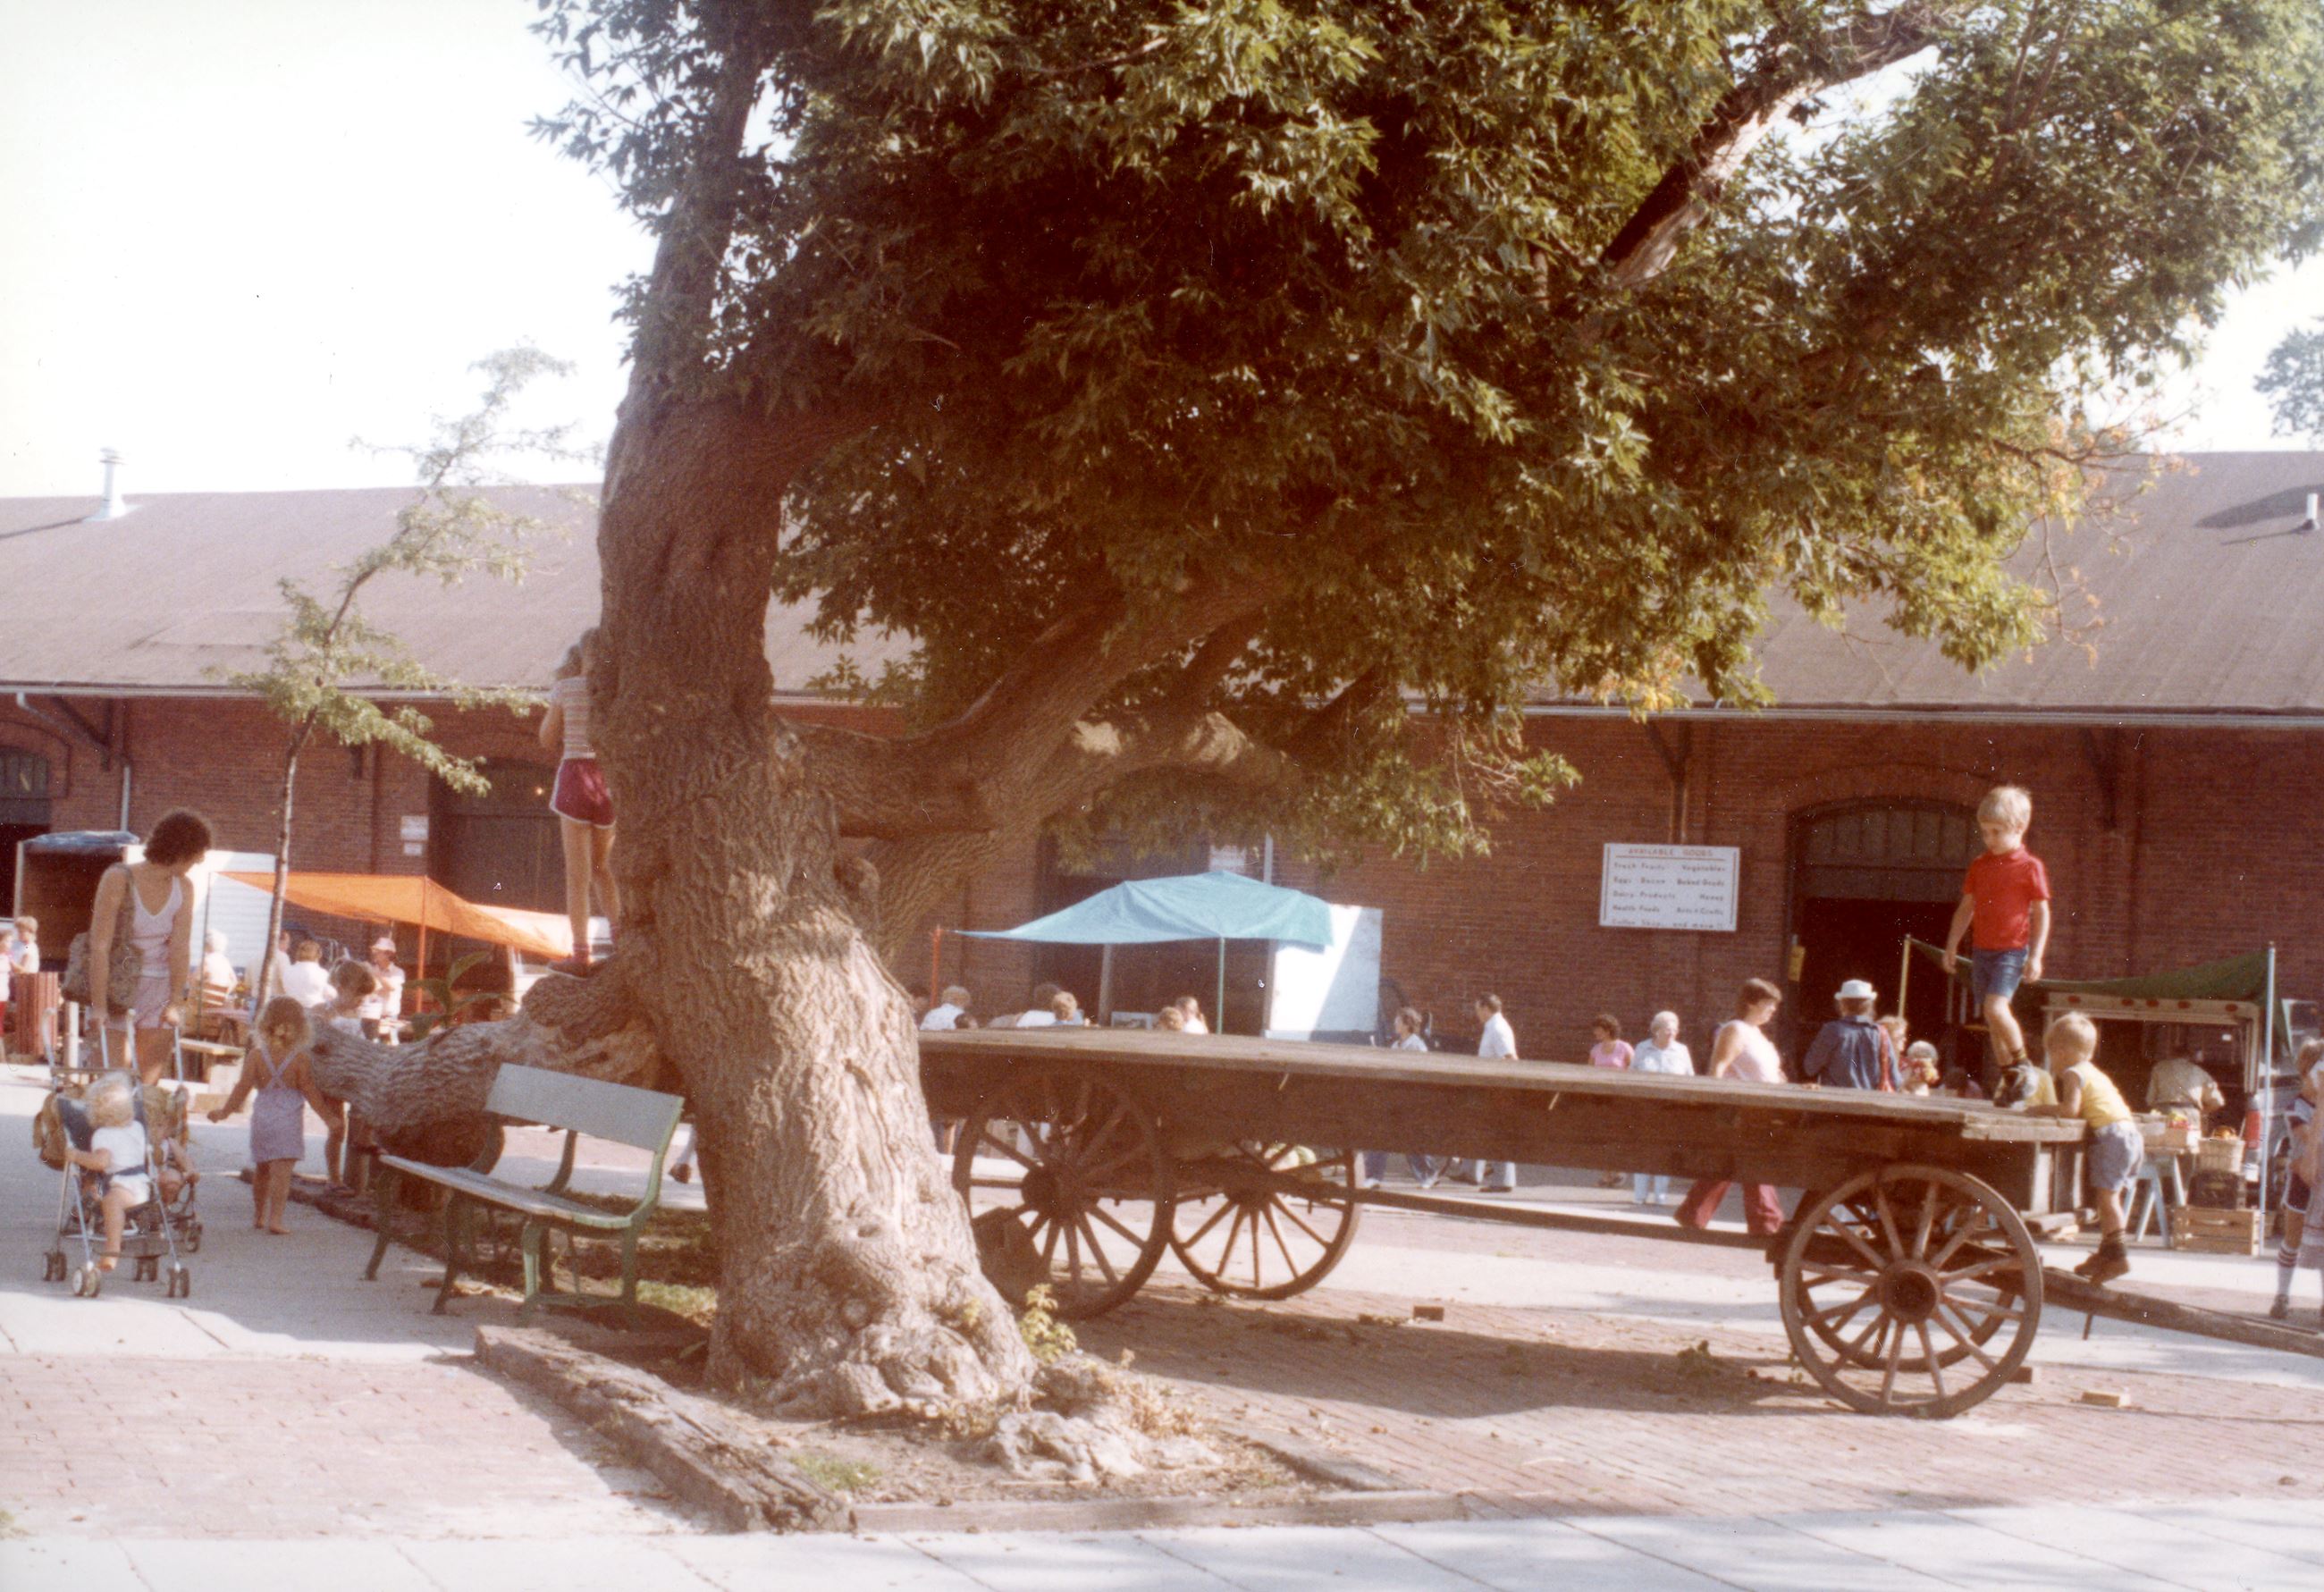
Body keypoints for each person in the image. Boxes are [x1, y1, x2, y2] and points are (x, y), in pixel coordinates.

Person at [88, 808, 212, 1086]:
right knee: (112, 1083)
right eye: (197, 854)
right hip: (117, 986)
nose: (200, 860)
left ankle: (144, 1128)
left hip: (158, 989)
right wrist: (98, 1005)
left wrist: (176, 1002)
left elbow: (180, 948)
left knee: (148, 1086)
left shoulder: (185, 887)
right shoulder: (119, 878)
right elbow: (100, 946)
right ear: (181, 850)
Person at [1941, 784, 2051, 1075]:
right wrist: (1952, 944)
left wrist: (2036, 956)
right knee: (1992, 1019)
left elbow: (2042, 911)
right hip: (1982, 950)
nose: (1989, 839)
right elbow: (1967, 908)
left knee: (1995, 1009)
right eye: (1985, 832)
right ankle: (2009, 1074)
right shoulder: (1980, 865)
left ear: (2018, 827)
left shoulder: (2030, 866)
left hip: (2011, 951)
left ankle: (2023, 1063)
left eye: (1997, 832)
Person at [2025, 1012, 2140, 1284]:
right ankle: (2108, 1252)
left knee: (2107, 1199)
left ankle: (2119, 1257)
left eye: (2052, 1054)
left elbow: (2070, 1110)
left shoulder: (2073, 1074)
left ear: (2062, 1051)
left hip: (2113, 1136)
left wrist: (2039, 1109)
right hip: (2128, 1134)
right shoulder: (2094, 1072)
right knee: (2110, 1197)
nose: (2051, 1061)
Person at [209, 998, 334, 1235]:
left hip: (263, 1117)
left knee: (262, 1170)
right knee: (282, 1174)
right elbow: (311, 1093)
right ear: (301, 1028)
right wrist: (329, 1118)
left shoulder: (256, 1056)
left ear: (264, 1024)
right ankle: (275, 1219)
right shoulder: (300, 1059)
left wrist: (224, 1112)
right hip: (288, 1121)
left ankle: (258, 1215)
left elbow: (242, 1088)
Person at [1674, 979, 1789, 1237]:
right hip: (1741, 1111)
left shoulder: (1758, 1035)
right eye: (1768, 1004)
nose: (1773, 1010)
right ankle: (1767, 1224)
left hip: (1762, 1110)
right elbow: (1718, 1069)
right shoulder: (1735, 1030)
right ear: (1750, 1003)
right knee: (1753, 1162)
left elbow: (1770, 1073)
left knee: (1729, 1163)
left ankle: (1694, 1212)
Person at [539, 628, 619, 976]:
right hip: (607, 783)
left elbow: (546, 738)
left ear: (582, 655)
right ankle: (622, 943)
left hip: (574, 777)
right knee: (604, 869)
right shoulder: (614, 693)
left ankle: (581, 953)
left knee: (577, 876)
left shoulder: (566, 688)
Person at [63, 1074, 150, 1272]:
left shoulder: (103, 1135)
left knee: (111, 1202)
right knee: (110, 1198)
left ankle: (113, 1247)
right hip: (144, 1185)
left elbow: (100, 1162)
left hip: (123, 1188)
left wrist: (77, 1156)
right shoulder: (137, 1127)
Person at [2270, 1040, 2324, 1319]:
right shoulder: (2295, 1107)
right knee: (2293, 1239)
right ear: (2307, 1073)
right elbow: (2312, 1144)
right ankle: (2282, 1294)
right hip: (2303, 1182)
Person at [1362, 1007, 1440, 1189]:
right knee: (1384, 1134)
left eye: (1398, 1021)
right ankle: (1374, 1176)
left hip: (1410, 1100)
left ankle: (1428, 1172)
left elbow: (1422, 1074)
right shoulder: (1396, 1045)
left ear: (1407, 1024)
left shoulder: (1417, 1047)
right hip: (1395, 1099)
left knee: (1407, 1138)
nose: (1394, 1024)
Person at [1629, 1011, 1694, 1206]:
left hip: (1671, 1110)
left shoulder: (1681, 1050)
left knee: (1664, 1151)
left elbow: (1690, 1077)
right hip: (1646, 1108)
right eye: (1667, 1028)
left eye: (1675, 1028)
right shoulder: (1642, 1048)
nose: (1672, 1032)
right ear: (1656, 1030)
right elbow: (1631, 1074)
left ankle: (1660, 1195)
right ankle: (1639, 1196)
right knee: (1643, 1150)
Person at [1798, 979, 1896, 1092]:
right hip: (1870, 1104)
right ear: (1870, 1006)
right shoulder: (1881, 1034)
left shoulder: (1832, 1030)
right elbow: (1895, 1079)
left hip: (1835, 1102)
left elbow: (1810, 1067)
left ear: (1842, 1004)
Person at [1469, 995, 1520, 1193]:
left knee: (1499, 1133)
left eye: (1477, 1010)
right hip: (1491, 1089)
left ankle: (1504, 1180)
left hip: (1498, 1090)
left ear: (1485, 1008)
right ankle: (1477, 1172)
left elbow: (1510, 1058)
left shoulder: (1498, 1028)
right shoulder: (1492, 1026)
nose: (1476, 1014)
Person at [2146, 1052, 2225, 1125]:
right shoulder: (2199, 1071)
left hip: (2166, 1112)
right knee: (2191, 1139)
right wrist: (2201, 1112)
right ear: (2189, 1058)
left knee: (2164, 1139)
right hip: (2191, 1114)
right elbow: (2218, 1102)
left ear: (2170, 1056)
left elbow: (2150, 1099)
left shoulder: (2159, 1068)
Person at [357, 936, 406, 1039]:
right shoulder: (372, 969)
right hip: (370, 1016)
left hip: (389, 1018)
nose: (374, 953)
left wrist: (376, 974)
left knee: (391, 1049)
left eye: (378, 951)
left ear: (388, 954)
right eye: (375, 950)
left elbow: (391, 987)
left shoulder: (398, 972)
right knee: (369, 1046)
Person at [280, 940, 332, 1009]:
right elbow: (330, 994)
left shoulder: (288, 970)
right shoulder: (322, 973)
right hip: (314, 1011)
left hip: (291, 1009)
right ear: (319, 955)